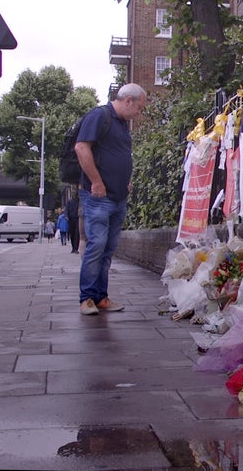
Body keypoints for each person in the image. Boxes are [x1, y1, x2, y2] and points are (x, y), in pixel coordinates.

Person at [75, 83, 147, 316]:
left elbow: (116, 155)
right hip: (98, 196)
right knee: (96, 246)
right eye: (139, 107)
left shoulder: (122, 125)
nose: (139, 113)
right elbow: (81, 148)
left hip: (118, 197)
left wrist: (124, 180)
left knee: (108, 248)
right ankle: (86, 298)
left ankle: (101, 297)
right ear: (128, 101)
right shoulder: (99, 116)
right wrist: (96, 182)